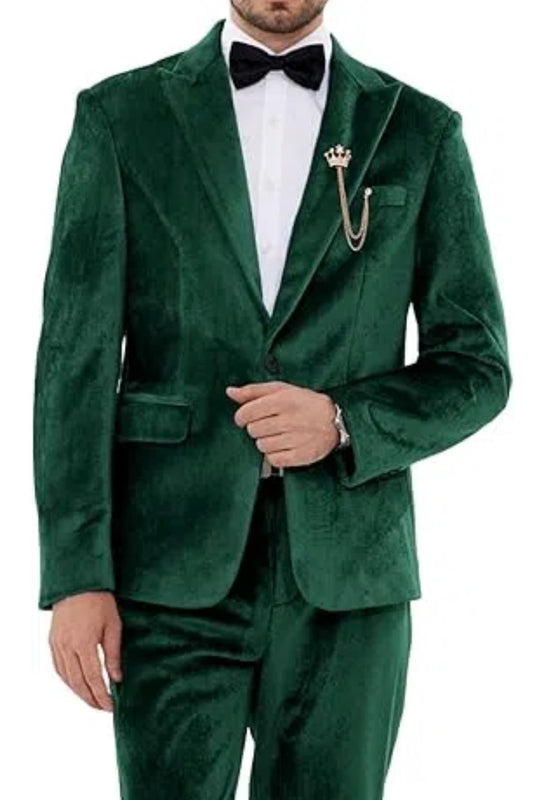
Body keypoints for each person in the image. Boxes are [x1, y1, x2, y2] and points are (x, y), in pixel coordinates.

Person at [32, 1, 512, 798]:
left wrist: (342, 421)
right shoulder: (120, 116)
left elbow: (476, 366)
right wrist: (76, 575)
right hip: (167, 570)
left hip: (348, 574)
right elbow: (71, 364)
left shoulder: (419, 129)